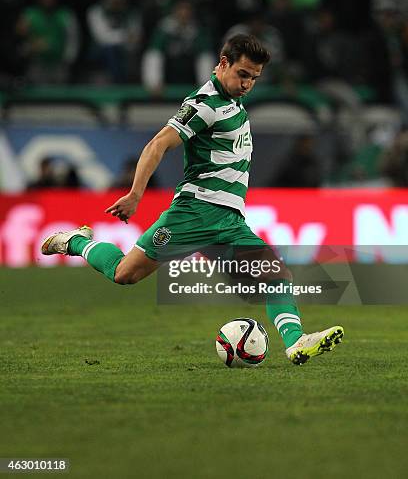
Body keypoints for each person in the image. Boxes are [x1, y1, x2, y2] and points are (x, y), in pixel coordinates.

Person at [41, 34, 344, 365]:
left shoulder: (233, 103)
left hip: (228, 220)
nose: (248, 84)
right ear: (223, 63)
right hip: (194, 213)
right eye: (243, 74)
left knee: (274, 274)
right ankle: (76, 242)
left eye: (254, 78)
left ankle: (295, 342)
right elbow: (158, 143)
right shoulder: (204, 105)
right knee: (125, 274)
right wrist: (135, 194)